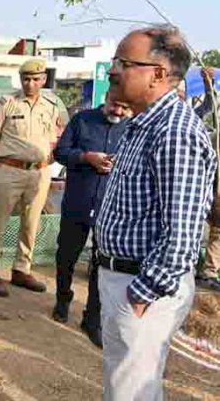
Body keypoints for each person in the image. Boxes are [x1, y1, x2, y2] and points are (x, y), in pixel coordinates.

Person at [95, 25, 215, 400]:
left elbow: (183, 233)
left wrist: (142, 294)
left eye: (123, 63)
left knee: (131, 392)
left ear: (158, 73)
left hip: (143, 288)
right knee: (123, 386)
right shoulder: (142, 124)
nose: (113, 71)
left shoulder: (175, 130)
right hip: (121, 278)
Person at [51, 91, 131, 348]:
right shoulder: (82, 120)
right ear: (107, 98)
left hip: (111, 209)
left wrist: (119, 165)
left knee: (101, 265)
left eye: (124, 108)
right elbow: (61, 152)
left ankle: (92, 318)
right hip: (77, 203)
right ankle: (63, 300)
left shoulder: (132, 129)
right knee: (66, 256)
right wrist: (86, 158)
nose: (118, 112)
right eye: (115, 105)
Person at [0, 58, 66, 297]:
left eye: (35, 79)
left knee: (31, 223)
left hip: (39, 172)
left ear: (43, 80)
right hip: (10, 169)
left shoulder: (50, 108)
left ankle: (21, 269)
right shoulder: (6, 104)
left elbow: (53, 140)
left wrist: (46, 162)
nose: (30, 84)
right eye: (26, 79)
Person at [195, 67, 220, 291]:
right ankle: (206, 270)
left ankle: (209, 270)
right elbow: (210, 110)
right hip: (211, 187)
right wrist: (208, 86)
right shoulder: (214, 136)